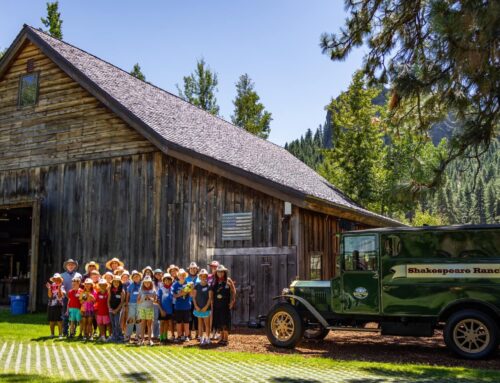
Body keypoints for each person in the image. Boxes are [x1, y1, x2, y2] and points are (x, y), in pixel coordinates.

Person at [212, 264, 236, 345]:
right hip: (216, 305)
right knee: (219, 322)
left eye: (222, 272)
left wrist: (232, 301)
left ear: (224, 272)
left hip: (225, 305)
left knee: (225, 322)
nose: (220, 273)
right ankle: (221, 338)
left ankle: (226, 339)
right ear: (216, 273)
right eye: (218, 272)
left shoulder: (228, 280)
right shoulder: (215, 281)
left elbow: (233, 291)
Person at [191, 269, 213, 345]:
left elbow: (210, 298)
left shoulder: (209, 286)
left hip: (206, 309)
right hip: (198, 308)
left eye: (205, 276)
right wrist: (196, 306)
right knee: (200, 323)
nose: (203, 277)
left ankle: (207, 338)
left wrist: (206, 307)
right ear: (199, 277)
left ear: (206, 277)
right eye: (201, 276)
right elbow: (193, 297)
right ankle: (201, 338)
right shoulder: (196, 286)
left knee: (207, 324)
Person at [61, 259, 82, 336]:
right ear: (66, 266)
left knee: (76, 315)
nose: (70, 266)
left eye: (72, 265)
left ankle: (73, 331)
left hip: (76, 297)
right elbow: (61, 286)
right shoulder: (62, 275)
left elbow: (80, 286)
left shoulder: (78, 275)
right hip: (66, 296)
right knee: (66, 314)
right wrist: (64, 292)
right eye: (69, 265)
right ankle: (65, 331)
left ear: (75, 266)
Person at [172, 269, 192, 342]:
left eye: (183, 275)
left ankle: (186, 336)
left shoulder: (188, 283)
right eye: (180, 275)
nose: (182, 276)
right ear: (178, 276)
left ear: (185, 275)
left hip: (186, 306)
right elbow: (173, 295)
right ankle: (179, 336)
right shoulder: (175, 284)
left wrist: (189, 291)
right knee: (178, 322)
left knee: (186, 322)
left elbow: (192, 294)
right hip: (178, 306)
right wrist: (180, 294)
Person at [137, 275, 157, 346]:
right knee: (142, 324)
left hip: (150, 309)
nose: (147, 284)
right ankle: (142, 340)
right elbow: (138, 301)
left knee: (149, 324)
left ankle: (149, 340)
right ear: (143, 283)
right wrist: (143, 299)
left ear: (151, 283)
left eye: (148, 282)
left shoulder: (153, 290)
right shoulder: (141, 290)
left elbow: (155, 301)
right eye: (145, 282)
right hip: (142, 309)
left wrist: (150, 298)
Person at [125, 270, 142, 342]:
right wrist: (126, 303)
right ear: (132, 278)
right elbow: (128, 295)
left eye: (137, 276)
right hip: (131, 304)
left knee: (139, 319)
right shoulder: (130, 285)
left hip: (140, 304)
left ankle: (138, 335)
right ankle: (128, 335)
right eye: (134, 277)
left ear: (140, 277)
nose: (136, 278)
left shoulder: (142, 285)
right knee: (130, 319)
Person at [46, 273, 65, 339]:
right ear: (53, 279)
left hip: (59, 305)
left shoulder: (62, 286)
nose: (56, 280)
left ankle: (60, 334)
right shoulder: (51, 286)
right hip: (51, 305)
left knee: (59, 320)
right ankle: (52, 334)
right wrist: (49, 288)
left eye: (58, 279)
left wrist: (59, 288)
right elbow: (50, 295)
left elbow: (60, 296)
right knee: (51, 320)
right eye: (55, 279)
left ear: (60, 279)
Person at [157, 273, 174, 343]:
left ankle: (165, 337)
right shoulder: (161, 289)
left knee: (167, 323)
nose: (167, 282)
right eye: (165, 280)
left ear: (171, 281)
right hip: (162, 310)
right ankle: (161, 338)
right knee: (162, 323)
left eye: (169, 280)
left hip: (169, 310)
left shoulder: (172, 289)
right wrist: (161, 310)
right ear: (163, 281)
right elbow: (157, 301)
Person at [107, 275, 125, 342]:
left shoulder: (122, 291)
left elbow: (122, 302)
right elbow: (108, 300)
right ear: (112, 283)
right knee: (113, 323)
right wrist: (109, 308)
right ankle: (114, 336)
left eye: (118, 282)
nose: (116, 283)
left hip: (118, 309)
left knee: (117, 323)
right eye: (114, 282)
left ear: (120, 283)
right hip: (111, 309)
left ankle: (119, 336)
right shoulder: (110, 289)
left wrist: (116, 310)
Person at [152, 268, 163, 340]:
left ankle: (159, 333)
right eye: (156, 274)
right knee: (155, 318)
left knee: (161, 319)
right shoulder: (152, 282)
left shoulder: (164, 281)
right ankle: (154, 333)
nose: (158, 275)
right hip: (155, 302)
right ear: (154, 275)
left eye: (159, 273)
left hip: (163, 302)